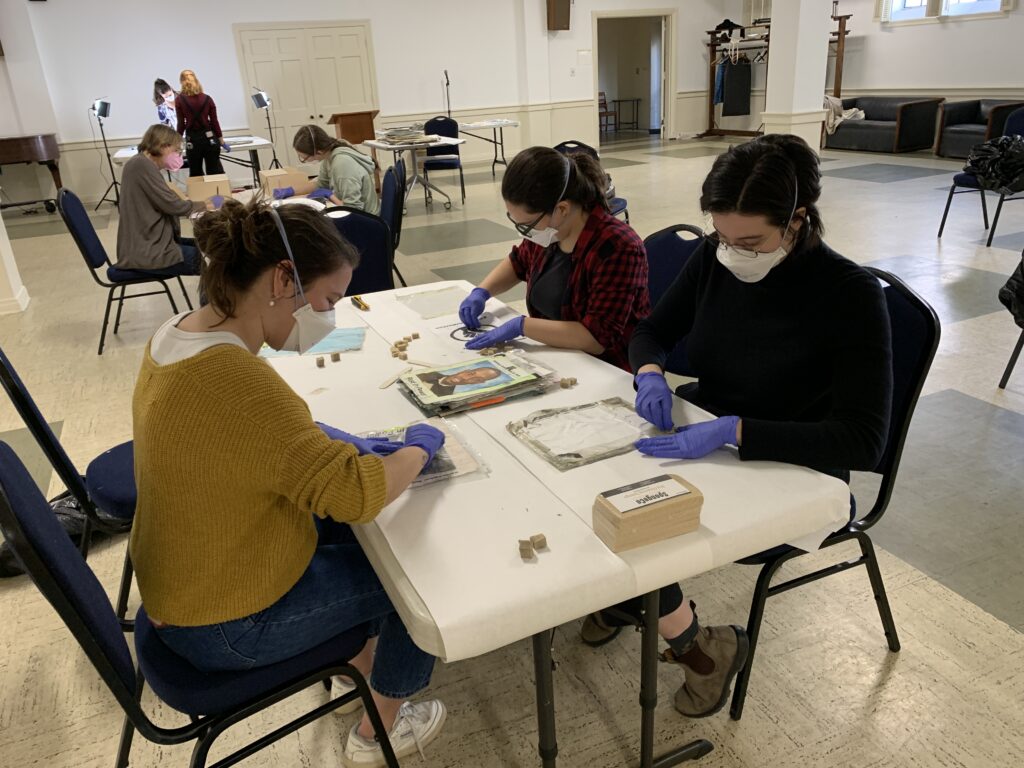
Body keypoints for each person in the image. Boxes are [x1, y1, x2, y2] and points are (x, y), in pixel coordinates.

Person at [582, 134, 894, 720]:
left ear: (797, 219)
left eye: (750, 240)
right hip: (711, 427)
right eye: (723, 236)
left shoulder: (847, 294)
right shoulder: (714, 257)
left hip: (793, 460)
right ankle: (631, 601)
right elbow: (650, 329)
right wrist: (648, 372)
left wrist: (736, 431)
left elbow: (862, 437)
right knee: (589, 482)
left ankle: (703, 648)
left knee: (642, 526)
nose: (733, 252)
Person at [130, 198, 448, 766]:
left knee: (370, 542)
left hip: (185, 589)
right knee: (416, 584)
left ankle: (359, 674)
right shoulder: (236, 378)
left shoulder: (178, 335)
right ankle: (384, 727)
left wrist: (335, 439)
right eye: (326, 300)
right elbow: (356, 494)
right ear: (283, 278)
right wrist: (419, 451)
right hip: (224, 623)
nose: (327, 318)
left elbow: (242, 439)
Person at [457, 146, 650, 372]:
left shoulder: (617, 247)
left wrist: (523, 326)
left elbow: (596, 339)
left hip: (608, 368)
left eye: (526, 224)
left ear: (562, 209)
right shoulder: (549, 233)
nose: (524, 233)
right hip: (559, 356)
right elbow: (518, 261)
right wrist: (482, 292)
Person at [115, 124, 210, 273]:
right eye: (176, 150)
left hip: (150, 242)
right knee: (213, 260)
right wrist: (205, 204)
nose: (178, 155)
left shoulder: (142, 164)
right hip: (148, 250)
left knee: (210, 247)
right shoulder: (140, 165)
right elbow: (173, 205)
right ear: (162, 146)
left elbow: (166, 200)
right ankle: (214, 296)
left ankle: (213, 295)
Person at [274, 125, 378, 212]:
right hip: (354, 214)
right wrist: (291, 191)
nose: (303, 160)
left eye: (304, 158)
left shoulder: (342, 164)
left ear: (318, 152)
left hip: (366, 221)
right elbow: (320, 185)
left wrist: (330, 196)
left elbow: (353, 209)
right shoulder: (328, 156)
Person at [176, 69, 228, 177]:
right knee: (215, 172)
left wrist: (176, 144)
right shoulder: (208, 99)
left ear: (182, 82)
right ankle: (218, 193)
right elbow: (214, 122)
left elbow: (181, 124)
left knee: (196, 174)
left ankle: (200, 193)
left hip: (193, 142)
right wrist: (222, 142)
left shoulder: (179, 100)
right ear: (196, 80)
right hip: (210, 140)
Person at [417, 366, 501, 397]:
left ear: (476, 383)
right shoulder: (428, 372)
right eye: (471, 373)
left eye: (477, 379)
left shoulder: (444, 395)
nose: (466, 378)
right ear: (463, 370)